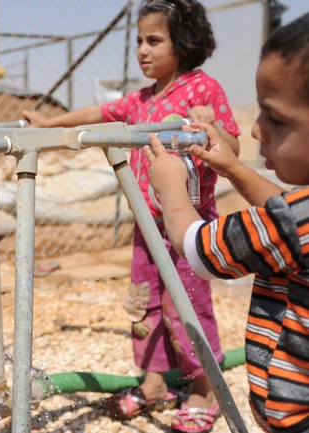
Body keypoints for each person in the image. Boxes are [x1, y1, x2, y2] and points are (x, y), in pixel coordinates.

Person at [22, 0, 241, 430]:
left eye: (153, 40)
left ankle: (202, 388)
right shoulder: (142, 99)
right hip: (147, 223)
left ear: (185, 43)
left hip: (189, 225)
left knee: (186, 306)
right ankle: (156, 381)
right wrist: (49, 123)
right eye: (139, 40)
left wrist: (209, 125)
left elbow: (232, 148)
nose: (142, 49)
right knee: (144, 306)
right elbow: (97, 113)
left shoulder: (202, 90)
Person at [145, 12, 309, 433]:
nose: (256, 131)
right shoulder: (297, 217)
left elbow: (198, 249)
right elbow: (285, 208)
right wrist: (234, 168)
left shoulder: (289, 225)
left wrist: (171, 188)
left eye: (275, 118)